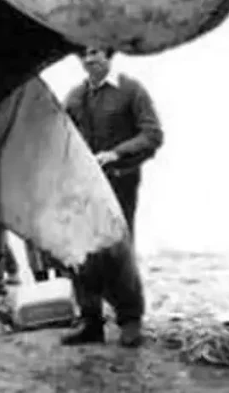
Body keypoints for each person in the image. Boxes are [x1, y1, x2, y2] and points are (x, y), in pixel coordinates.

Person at [58, 47, 163, 347]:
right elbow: (60, 135)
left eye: (95, 53)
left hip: (120, 183)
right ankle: (90, 321)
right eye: (83, 55)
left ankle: (130, 321)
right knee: (81, 252)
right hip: (82, 188)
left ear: (109, 55)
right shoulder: (75, 96)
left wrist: (117, 153)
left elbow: (152, 135)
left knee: (118, 250)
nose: (89, 60)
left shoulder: (131, 90)